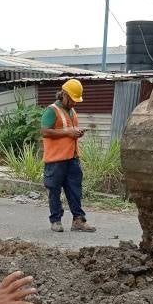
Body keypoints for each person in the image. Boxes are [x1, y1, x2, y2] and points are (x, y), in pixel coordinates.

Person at [41, 78, 96, 233]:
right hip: (56, 160)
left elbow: (68, 132)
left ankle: (78, 220)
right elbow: (45, 131)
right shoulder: (51, 110)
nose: (74, 103)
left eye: (76, 100)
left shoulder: (72, 111)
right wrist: (68, 132)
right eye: (72, 99)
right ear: (63, 95)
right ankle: (56, 221)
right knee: (54, 190)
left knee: (75, 190)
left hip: (72, 158)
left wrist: (76, 133)